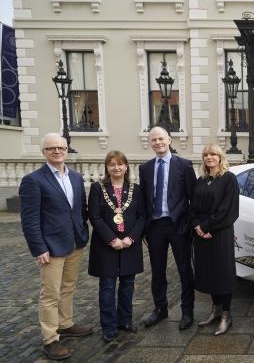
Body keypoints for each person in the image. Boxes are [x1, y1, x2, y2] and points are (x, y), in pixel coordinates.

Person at [19, 133, 92, 360]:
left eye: (61, 147)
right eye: (52, 148)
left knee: (68, 287)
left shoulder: (76, 177)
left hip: (75, 243)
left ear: (67, 150)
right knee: (50, 293)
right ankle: (50, 338)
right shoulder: (33, 180)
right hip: (51, 247)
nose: (57, 151)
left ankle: (65, 323)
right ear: (44, 152)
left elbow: (80, 209)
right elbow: (29, 219)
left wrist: (83, 232)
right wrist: (38, 248)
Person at [139, 126, 197, 330]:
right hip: (155, 227)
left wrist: (191, 225)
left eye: (161, 138)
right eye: (154, 140)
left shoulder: (184, 165)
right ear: (150, 143)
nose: (158, 142)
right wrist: (144, 230)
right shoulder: (145, 168)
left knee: (184, 270)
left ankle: (187, 311)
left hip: (178, 226)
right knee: (157, 271)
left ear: (170, 140)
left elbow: (193, 198)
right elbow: (144, 200)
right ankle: (160, 308)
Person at [88, 151, 145, 342]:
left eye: (120, 164)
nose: (116, 167)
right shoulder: (97, 188)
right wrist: (112, 239)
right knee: (107, 286)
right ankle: (109, 327)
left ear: (126, 167)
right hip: (106, 245)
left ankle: (125, 321)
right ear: (107, 167)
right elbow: (94, 217)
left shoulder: (135, 189)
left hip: (130, 244)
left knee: (128, 284)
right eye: (112, 164)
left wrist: (131, 238)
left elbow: (142, 216)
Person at [191, 144, 240, 335]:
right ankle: (216, 310)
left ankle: (227, 315)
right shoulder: (201, 180)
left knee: (222, 273)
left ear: (220, 157)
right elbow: (193, 207)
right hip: (201, 234)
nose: (209, 157)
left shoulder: (228, 179)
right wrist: (197, 226)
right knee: (209, 272)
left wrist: (206, 227)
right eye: (205, 154)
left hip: (220, 233)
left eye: (213, 154)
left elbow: (228, 209)